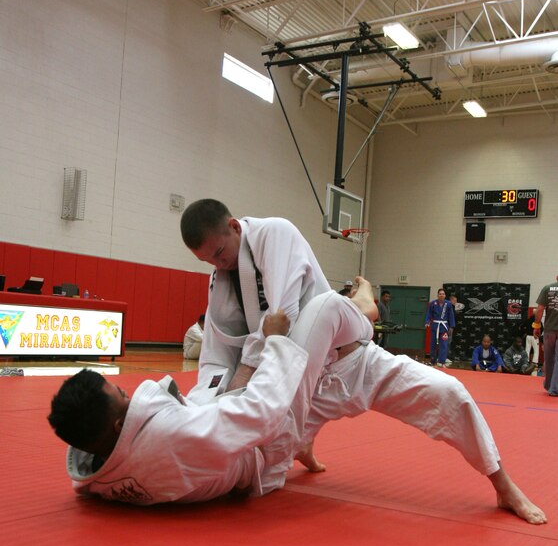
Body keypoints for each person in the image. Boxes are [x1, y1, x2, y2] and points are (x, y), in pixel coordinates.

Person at [48, 281, 546, 525]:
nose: (132, 393)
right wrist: (274, 345)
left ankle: (496, 479)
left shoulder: (99, 474)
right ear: (115, 424)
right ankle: (366, 299)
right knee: (336, 307)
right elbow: (257, 412)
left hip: (349, 374)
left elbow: (88, 478)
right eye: (123, 395)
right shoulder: (169, 438)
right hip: (277, 424)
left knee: (435, 390)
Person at [180, 199, 357, 403]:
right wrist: (205, 397)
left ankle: (365, 301)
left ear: (235, 227)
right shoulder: (220, 277)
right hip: (298, 367)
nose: (218, 264)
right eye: (207, 260)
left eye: (219, 253)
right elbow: (217, 349)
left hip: (343, 360)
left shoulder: (275, 232)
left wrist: (245, 373)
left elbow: (283, 315)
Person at [533, 276, 558, 397]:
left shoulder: (547, 288)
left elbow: (540, 309)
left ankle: (549, 385)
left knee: (549, 358)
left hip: (549, 329)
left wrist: (537, 326)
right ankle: (554, 388)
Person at [424, 288, 455, 367]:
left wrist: (451, 326)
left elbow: (451, 315)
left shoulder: (448, 304)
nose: (441, 295)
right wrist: (427, 322)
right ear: (437, 295)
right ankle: (433, 361)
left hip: (444, 327)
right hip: (435, 326)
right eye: (440, 294)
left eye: (443, 294)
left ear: (445, 295)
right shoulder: (433, 303)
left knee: (444, 344)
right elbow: (429, 314)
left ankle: (442, 362)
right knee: (433, 344)